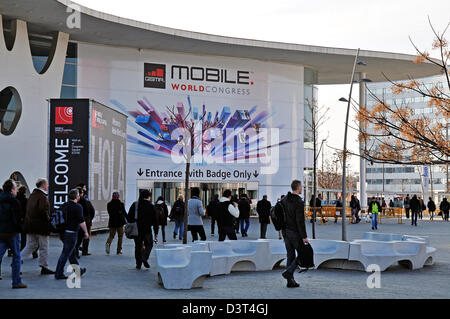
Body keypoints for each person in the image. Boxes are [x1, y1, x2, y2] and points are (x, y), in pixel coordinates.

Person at [22, 178, 55, 275]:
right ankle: (44, 266)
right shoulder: (42, 197)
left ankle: (18, 259)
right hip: (41, 226)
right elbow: (43, 211)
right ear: (43, 185)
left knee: (31, 245)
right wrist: (48, 221)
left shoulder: (32, 195)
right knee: (44, 246)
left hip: (30, 225)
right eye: (47, 184)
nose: (48, 186)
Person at [280, 180, 309, 288]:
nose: (302, 188)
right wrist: (304, 237)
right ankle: (289, 271)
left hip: (285, 232)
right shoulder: (299, 202)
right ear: (298, 188)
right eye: (301, 186)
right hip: (295, 233)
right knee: (303, 253)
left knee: (290, 255)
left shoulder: (284, 200)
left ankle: (290, 281)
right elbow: (300, 221)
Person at [55, 189, 88, 280]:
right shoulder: (78, 207)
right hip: (72, 233)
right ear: (77, 197)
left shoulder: (64, 205)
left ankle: (78, 270)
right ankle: (58, 273)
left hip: (63, 233)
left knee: (71, 253)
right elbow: (81, 221)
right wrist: (86, 232)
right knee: (65, 253)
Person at [0, 180, 27, 288]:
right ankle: (16, 281)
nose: (17, 190)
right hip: (12, 234)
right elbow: (17, 218)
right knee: (16, 256)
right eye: (16, 188)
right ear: (12, 190)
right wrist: (20, 228)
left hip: (1, 233)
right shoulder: (14, 202)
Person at [127, 190, 159, 269]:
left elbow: (129, 217)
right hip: (147, 229)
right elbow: (155, 221)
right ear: (148, 196)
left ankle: (138, 264)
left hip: (137, 229)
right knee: (149, 244)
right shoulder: (151, 206)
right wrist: (156, 233)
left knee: (138, 246)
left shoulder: (135, 204)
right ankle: (144, 256)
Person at [75, 188, 95, 257]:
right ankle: (84, 250)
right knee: (85, 236)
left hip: (76, 223)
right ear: (81, 194)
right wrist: (89, 219)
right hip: (86, 222)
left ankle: (76, 250)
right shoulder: (87, 202)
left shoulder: (74, 202)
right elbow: (92, 212)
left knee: (77, 237)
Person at [16, 186, 28, 251]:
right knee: (23, 235)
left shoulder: (15, 199)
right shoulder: (25, 200)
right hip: (23, 219)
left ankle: (12, 249)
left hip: (16, 219)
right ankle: (22, 248)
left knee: (15, 234)